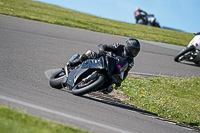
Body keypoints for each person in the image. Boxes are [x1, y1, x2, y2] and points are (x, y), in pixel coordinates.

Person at [67, 38, 141, 93]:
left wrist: (120, 81)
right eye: (132, 49)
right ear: (127, 47)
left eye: (135, 51)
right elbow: (104, 46)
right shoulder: (119, 47)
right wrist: (102, 50)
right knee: (90, 54)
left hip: (114, 68)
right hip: (104, 58)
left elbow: (125, 72)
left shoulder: (131, 62)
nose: (133, 52)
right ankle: (74, 63)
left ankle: (96, 86)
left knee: (109, 89)